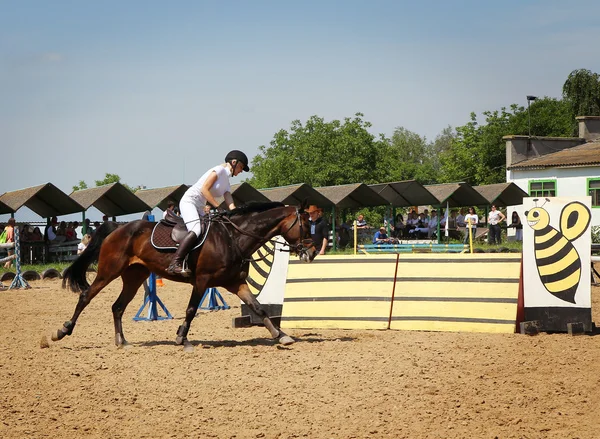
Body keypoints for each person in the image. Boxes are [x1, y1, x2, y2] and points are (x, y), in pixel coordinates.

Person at [167, 150, 250, 276]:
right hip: (190, 201)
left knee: (211, 231)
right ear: (234, 162)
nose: (241, 171)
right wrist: (218, 207)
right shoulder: (219, 170)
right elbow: (204, 189)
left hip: (199, 207)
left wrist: (236, 214)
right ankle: (175, 263)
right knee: (196, 230)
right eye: (241, 167)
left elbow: (229, 201)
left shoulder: (226, 181)